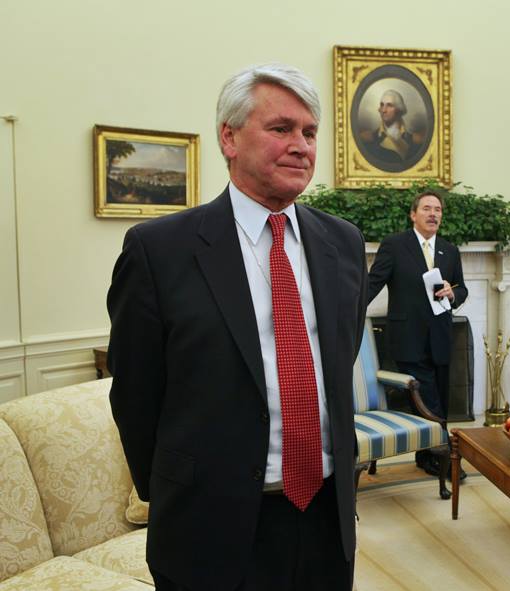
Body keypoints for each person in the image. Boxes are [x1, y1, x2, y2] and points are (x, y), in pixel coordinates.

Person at [107, 63, 367, 591]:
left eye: (310, 132)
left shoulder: (343, 243)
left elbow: (339, 366)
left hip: (326, 521)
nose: (301, 146)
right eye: (281, 128)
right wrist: (175, 489)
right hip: (209, 527)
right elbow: (135, 396)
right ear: (229, 137)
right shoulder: (159, 251)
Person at [366, 190, 467, 477]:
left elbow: (461, 288)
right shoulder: (395, 245)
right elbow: (373, 283)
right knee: (428, 398)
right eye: (426, 208)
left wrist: (453, 293)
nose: (433, 214)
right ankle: (444, 456)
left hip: (441, 337)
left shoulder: (450, 250)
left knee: (439, 398)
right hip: (407, 336)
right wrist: (347, 309)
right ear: (413, 214)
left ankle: (426, 457)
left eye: (438, 209)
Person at [359, 89, 424, 166]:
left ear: (399, 109)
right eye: (382, 105)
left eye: (389, 105)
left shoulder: (415, 140)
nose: (383, 110)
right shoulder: (368, 139)